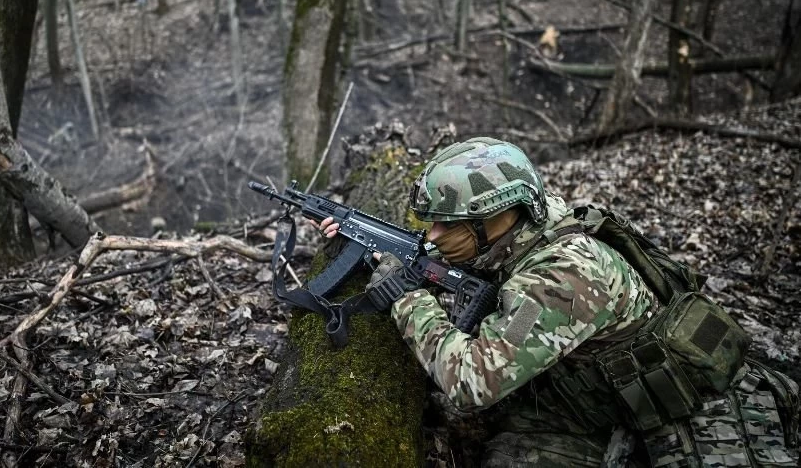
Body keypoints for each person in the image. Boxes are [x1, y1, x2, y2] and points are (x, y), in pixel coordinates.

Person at [316, 137, 799, 467]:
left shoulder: (562, 276)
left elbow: (470, 382)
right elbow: (460, 263)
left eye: (447, 224)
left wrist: (407, 298)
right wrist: (366, 242)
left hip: (686, 407)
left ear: (497, 218)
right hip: (587, 400)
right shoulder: (530, 223)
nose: (433, 235)